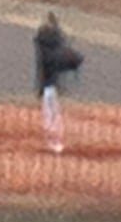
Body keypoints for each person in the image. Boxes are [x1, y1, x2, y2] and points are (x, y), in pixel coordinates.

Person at [33, 12, 83, 155]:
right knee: (52, 113)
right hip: (50, 85)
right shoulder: (50, 43)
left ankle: (54, 143)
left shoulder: (46, 43)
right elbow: (60, 58)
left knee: (51, 113)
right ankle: (54, 143)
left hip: (49, 85)